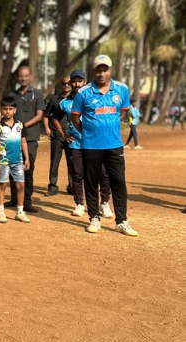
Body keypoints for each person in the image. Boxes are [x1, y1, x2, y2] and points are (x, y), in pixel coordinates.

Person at [71, 55, 138, 236]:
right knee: (91, 183)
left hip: (114, 145)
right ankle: (94, 218)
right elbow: (75, 117)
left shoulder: (122, 90)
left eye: (105, 70)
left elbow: (122, 113)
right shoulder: (83, 92)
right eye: (98, 70)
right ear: (94, 71)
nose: (102, 73)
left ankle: (122, 221)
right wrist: (88, 130)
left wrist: (110, 127)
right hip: (91, 145)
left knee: (118, 181)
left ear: (110, 70)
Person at [52, 69, 113, 219]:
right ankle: (79, 204)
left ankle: (104, 202)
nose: (77, 84)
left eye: (80, 81)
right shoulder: (65, 103)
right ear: (71, 83)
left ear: (85, 81)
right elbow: (54, 118)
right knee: (78, 175)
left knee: (104, 174)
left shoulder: (93, 97)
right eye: (74, 81)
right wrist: (64, 135)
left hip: (97, 144)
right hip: (76, 144)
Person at [7, 65, 45, 212]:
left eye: (26, 76)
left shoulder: (37, 94)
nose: (23, 78)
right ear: (17, 78)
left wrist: (22, 126)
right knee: (12, 167)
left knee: (28, 169)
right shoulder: (12, 94)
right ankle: (14, 198)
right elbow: (8, 113)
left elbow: (39, 114)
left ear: (31, 77)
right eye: (20, 76)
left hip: (30, 138)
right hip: (12, 138)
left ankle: (27, 201)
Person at [0, 96, 31, 224]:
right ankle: (1, 212)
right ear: (1, 111)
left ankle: (20, 211)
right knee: (3, 185)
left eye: (10, 109)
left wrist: (27, 158)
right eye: (5, 109)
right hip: (3, 161)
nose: (7, 111)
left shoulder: (20, 125)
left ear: (15, 110)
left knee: (20, 185)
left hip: (18, 160)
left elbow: (23, 142)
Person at [43, 76, 72, 196]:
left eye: (68, 83)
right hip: (57, 135)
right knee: (54, 161)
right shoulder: (55, 99)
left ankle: (73, 187)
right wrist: (47, 129)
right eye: (64, 84)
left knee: (72, 163)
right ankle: (53, 187)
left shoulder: (78, 99)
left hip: (71, 136)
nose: (66, 86)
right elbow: (46, 115)